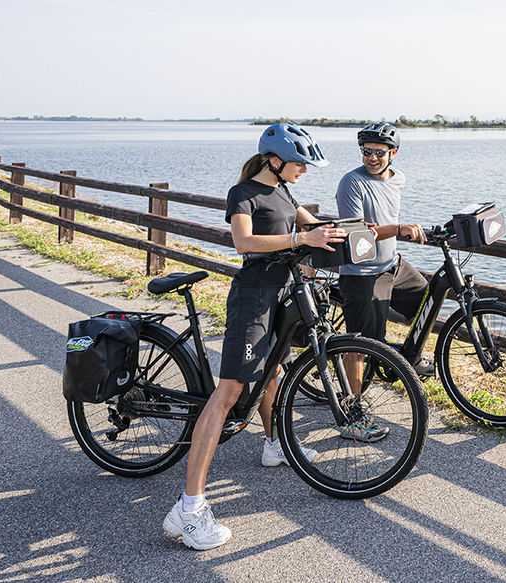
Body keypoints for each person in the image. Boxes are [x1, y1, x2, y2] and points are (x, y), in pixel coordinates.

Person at [163, 122, 344, 551]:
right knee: (228, 394)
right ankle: (189, 509)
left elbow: (317, 225)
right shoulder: (242, 193)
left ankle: (273, 443)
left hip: (281, 291)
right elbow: (243, 242)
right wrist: (302, 237)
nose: (305, 170)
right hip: (253, 298)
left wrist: (360, 231)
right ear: (275, 159)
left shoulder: (285, 191)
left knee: (275, 370)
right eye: (300, 162)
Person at [333, 122, 431, 422]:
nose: (372, 158)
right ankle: (353, 408)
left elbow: (382, 223)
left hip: (393, 265)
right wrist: (400, 229)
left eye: (379, 152)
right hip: (362, 273)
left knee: (427, 300)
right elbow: (358, 234)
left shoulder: (397, 179)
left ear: (393, 153)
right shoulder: (352, 183)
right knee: (361, 346)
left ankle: (405, 357)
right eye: (366, 152)